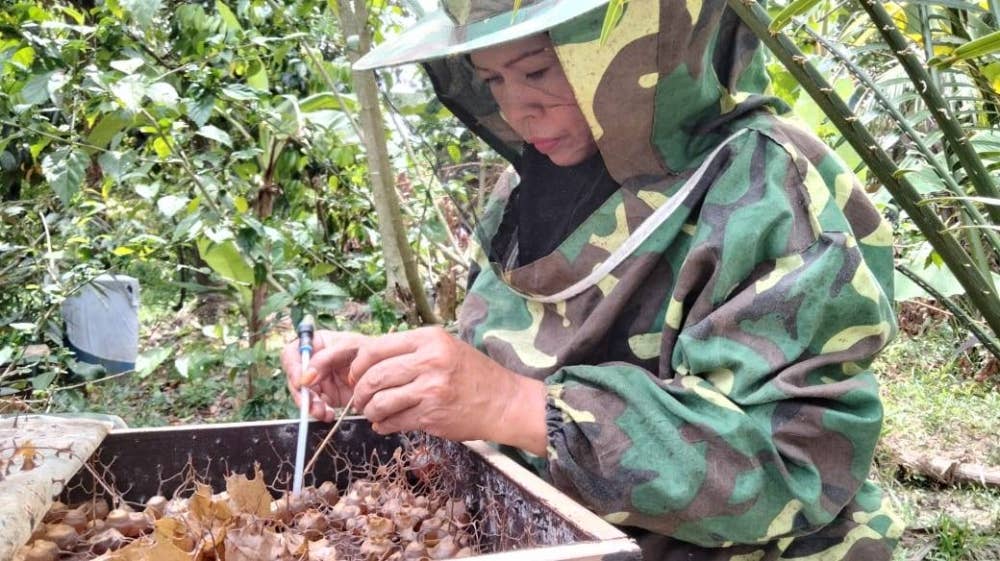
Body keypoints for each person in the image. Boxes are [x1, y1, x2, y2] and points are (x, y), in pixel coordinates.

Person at [282, 1, 905, 559]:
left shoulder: (769, 183)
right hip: (565, 527)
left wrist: (513, 405)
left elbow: (791, 463)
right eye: (493, 77)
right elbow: (511, 351)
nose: (516, 107)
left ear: (639, 51)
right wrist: (397, 373)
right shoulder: (534, 179)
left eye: (538, 71)